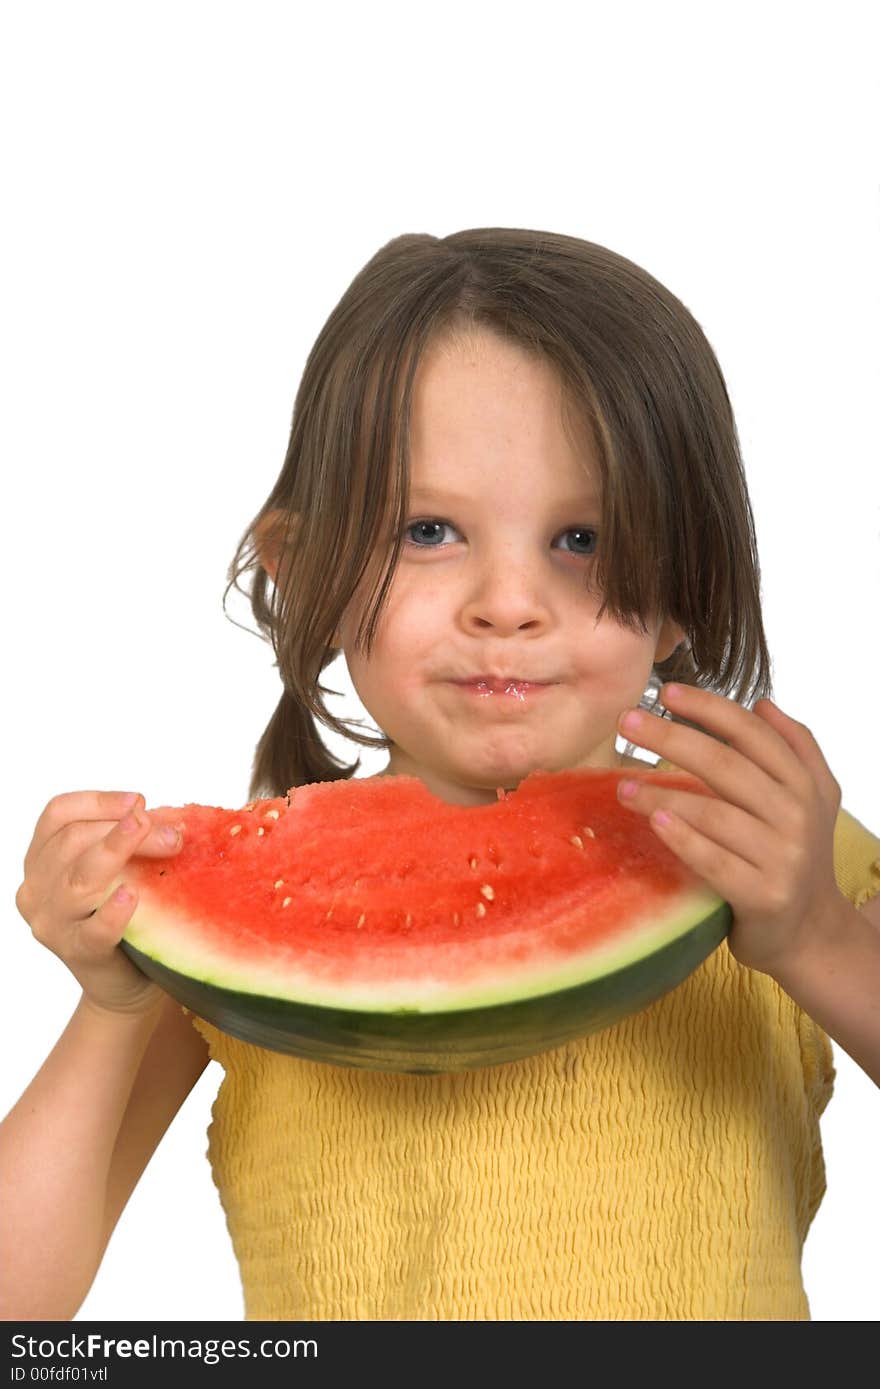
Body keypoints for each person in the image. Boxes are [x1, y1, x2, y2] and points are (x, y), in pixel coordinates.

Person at [3, 227, 879, 1322]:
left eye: (581, 537)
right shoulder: (210, 940)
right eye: (429, 530)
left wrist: (816, 935)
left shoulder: (784, 859)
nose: (506, 601)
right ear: (302, 568)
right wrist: (112, 998)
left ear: (681, 592)